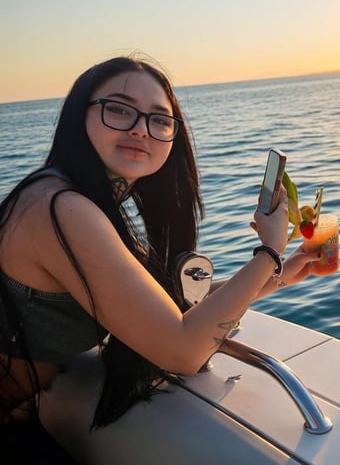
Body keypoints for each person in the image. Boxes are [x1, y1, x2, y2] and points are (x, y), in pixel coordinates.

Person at [0, 56, 315, 460]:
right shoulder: (61, 208)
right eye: (118, 109)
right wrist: (268, 252)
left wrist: (281, 274)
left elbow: (166, 311)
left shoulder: (77, 199)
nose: (139, 128)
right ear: (80, 115)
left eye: (159, 119)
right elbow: (183, 351)